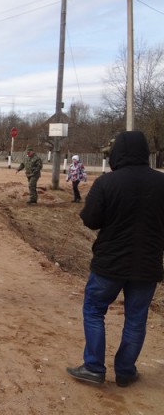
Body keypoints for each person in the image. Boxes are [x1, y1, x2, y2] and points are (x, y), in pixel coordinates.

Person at [66, 131, 164, 387]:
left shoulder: (107, 183)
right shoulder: (161, 183)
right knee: (136, 317)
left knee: (94, 310)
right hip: (147, 263)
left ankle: (94, 367)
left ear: (118, 153)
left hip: (110, 263)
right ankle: (125, 371)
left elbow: (90, 220)